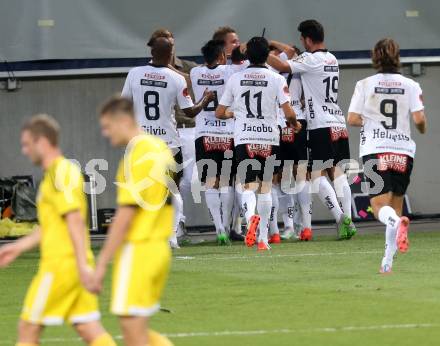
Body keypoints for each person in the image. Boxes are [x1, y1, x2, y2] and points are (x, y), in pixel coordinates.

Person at [0, 115, 116, 346]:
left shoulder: (61, 174)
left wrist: (82, 265)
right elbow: (52, 226)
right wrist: (17, 247)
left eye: (27, 144)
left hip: (61, 267)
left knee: (28, 328)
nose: (24, 150)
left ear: (42, 142)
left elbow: (73, 220)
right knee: (88, 328)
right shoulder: (53, 175)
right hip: (72, 265)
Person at [89, 96, 175, 345]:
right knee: (137, 330)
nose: (105, 134)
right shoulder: (159, 147)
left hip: (139, 249)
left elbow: (125, 216)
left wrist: (102, 262)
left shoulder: (137, 154)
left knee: (132, 330)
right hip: (159, 249)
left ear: (124, 120)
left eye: (107, 126)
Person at [266, 19, 356, 240]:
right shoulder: (332, 58)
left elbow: (283, 66)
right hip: (337, 120)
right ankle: (349, 220)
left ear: (307, 39)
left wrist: (258, 51)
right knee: (338, 172)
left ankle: (340, 219)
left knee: (316, 176)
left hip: (321, 124)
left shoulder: (310, 58)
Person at [121, 37, 214, 248]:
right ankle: (171, 237)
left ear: (151, 53)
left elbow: (123, 105)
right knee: (173, 190)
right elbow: (190, 111)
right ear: (171, 54)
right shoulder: (176, 78)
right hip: (168, 143)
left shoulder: (134, 74)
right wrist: (205, 100)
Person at [348, 38, 427, 273]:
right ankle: (387, 262)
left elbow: (352, 119)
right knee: (396, 206)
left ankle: (394, 225)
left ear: (375, 57)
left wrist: (372, 123)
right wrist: (421, 129)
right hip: (403, 152)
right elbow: (420, 120)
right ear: (398, 57)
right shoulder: (411, 85)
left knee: (379, 206)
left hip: (376, 150)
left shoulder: (364, 84)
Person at [216, 37, 300, 251]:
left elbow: (219, 112)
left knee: (246, 187)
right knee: (265, 188)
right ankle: (263, 239)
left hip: (245, 139)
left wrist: (235, 113)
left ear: (246, 55)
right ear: (267, 56)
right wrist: (295, 123)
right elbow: (288, 112)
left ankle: (251, 217)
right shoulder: (276, 79)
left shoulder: (235, 79)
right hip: (270, 139)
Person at [190, 39, 248, 244]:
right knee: (227, 182)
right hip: (227, 134)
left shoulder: (195, 73)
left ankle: (219, 229)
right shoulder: (230, 72)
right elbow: (244, 64)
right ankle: (227, 224)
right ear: (222, 56)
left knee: (210, 184)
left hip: (204, 134)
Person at [147, 28, 199, 128]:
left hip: (188, 127)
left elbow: (193, 83)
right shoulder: (146, 73)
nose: (170, 50)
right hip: (161, 128)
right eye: (164, 47)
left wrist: (169, 68)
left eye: (171, 45)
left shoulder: (191, 67)